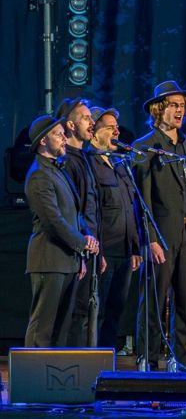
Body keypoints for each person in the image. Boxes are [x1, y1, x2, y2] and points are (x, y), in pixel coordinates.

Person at [133, 81, 186, 369]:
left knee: (185, 298)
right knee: (154, 296)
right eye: (174, 105)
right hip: (161, 232)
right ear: (158, 109)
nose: (179, 110)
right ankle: (148, 356)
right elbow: (143, 199)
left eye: (182, 106)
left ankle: (182, 358)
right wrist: (150, 237)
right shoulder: (146, 147)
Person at [23, 115, 99, 347]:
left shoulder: (58, 170)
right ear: (43, 141)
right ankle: (32, 379)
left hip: (68, 260)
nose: (64, 138)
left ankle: (52, 379)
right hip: (49, 259)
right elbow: (52, 220)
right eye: (58, 134)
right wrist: (81, 242)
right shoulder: (38, 174)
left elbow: (73, 212)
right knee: (42, 327)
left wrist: (85, 239)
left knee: (60, 329)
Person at [89, 107, 142, 351]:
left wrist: (135, 246)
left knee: (115, 311)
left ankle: (107, 361)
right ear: (94, 133)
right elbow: (91, 211)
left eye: (116, 127)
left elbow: (131, 209)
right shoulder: (89, 164)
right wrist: (98, 252)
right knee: (96, 312)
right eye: (110, 127)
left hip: (124, 252)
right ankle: (93, 361)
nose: (116, 132)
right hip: (104, 252)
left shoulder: (120, 164)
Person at [55, 98, 101, 347]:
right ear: (70, 125)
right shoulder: (68, 161)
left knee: (87, 311)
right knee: (75, 313)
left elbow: (92, 209)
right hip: (79, 248)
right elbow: (72, 211)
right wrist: (81, 251)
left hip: (91, 247)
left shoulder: (85, 158)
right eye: (86, 118)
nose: (92, 122)